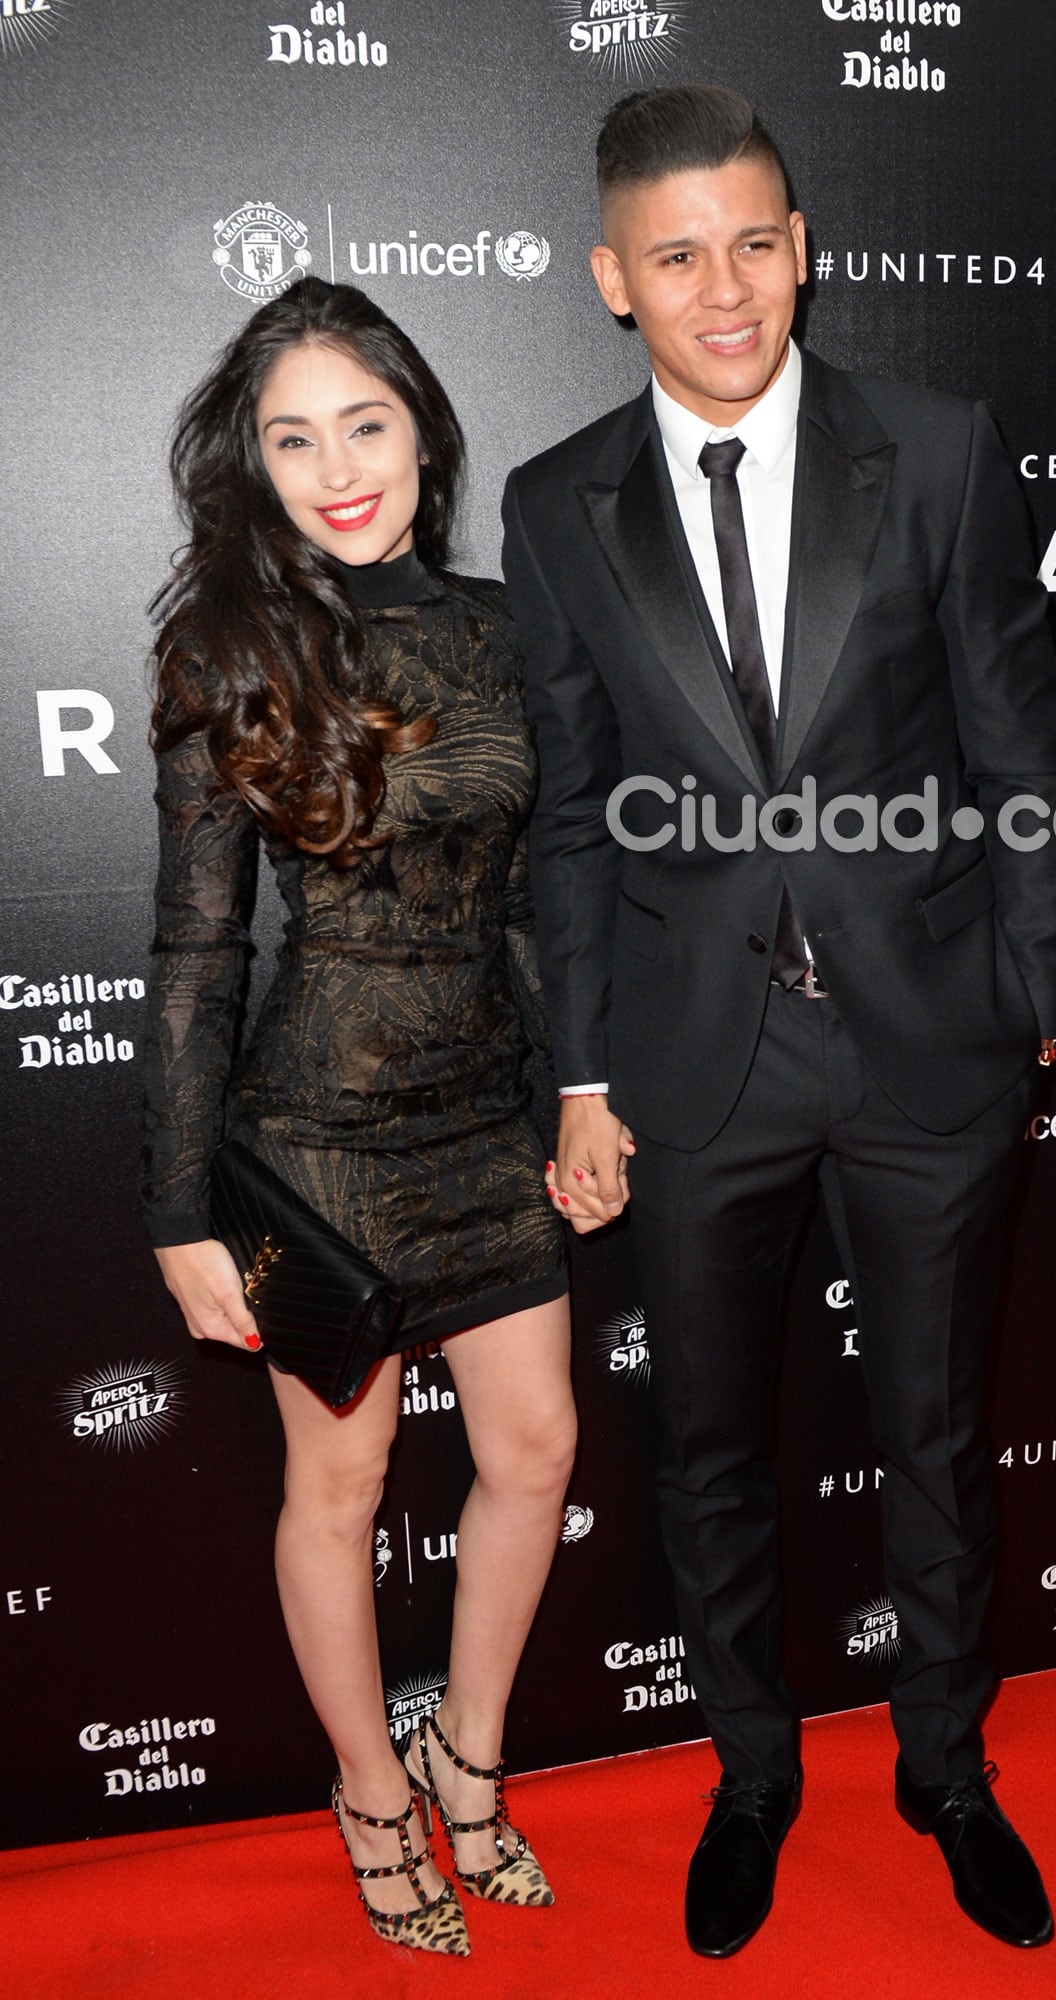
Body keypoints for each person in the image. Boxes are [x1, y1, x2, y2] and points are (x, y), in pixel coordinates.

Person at [501, 86, 1056, 1957]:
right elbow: (575, 819)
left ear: (803, 245)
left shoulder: (937, 446)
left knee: (934, 1425)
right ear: (613, 279)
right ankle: (752, 1769)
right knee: (708, 1452)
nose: (724, 288)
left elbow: (1015, 738)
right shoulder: (556, 501)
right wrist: (582, 1073)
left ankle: (944, 1759)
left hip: (927, 1045)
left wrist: (1036, 988)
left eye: (756, 240)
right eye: (677, 254)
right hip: (688, 1067)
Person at [140, 277, 577, 1957]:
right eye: (294, 435)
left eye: (366, 424)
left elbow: (541, 902)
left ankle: (467, 1764)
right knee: (344, 1484)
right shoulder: (227, 647)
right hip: (314, 1137)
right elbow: (195, 947)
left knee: (536, 1448)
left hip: (485, 1116)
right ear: (253, 465)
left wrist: (575, 1100)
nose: (338, 466)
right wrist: (179, 1206)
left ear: (423, 432)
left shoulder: (503, 623)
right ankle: (369, 1796)